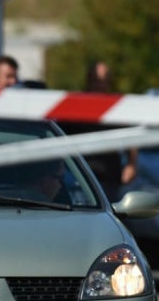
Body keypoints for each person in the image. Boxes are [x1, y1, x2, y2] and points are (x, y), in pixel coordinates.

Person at [59, 60, 138, 201]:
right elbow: (58, 138)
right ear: (88, 81)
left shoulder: (116, 107)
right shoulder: (75, 106)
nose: (100, 85)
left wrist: (131, 165)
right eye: (97, 80)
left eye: (104, 81)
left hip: (108, 180)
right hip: (76, 178)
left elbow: (131, 137)